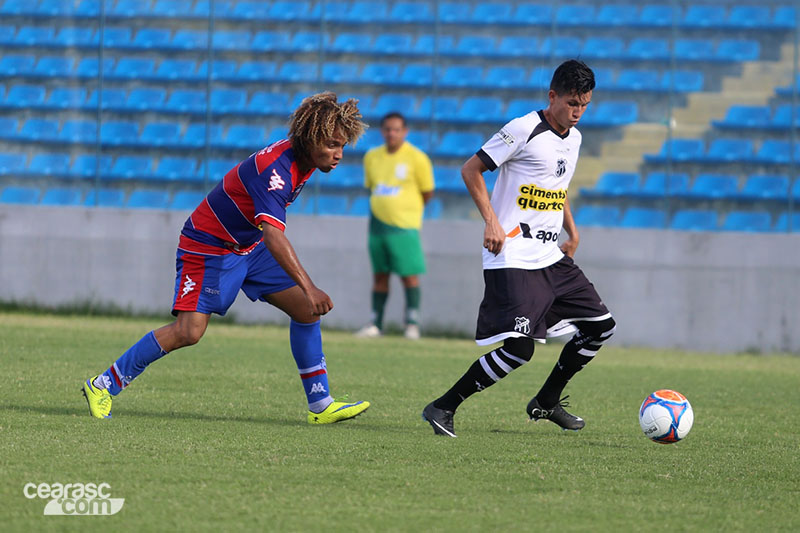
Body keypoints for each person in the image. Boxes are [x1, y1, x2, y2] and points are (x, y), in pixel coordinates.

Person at [82, 92, 371, 425]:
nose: (339, 155)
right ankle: (102, 385)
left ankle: (321, 405)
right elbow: (274, 235)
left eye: (343, 147)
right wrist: (310, 286)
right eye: (333, 145)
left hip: (249, 245)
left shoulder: (304, 161)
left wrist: (306, 293)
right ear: (311, 138)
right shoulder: (274, 170)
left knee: (305, 312)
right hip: (209, 246)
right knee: (189, 332)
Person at [422, 60, 616, 437]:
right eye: (572, 103)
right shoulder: (522, 129)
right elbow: (470, 170)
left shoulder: (574, 140)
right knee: (519, 350)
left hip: (551, 257)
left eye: (585, 105)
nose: (578, 112)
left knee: (599, 328)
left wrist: (572, 232)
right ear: (552, 96)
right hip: (512, 255)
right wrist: (491, 221)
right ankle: (442, 407)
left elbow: (556, 191)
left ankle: (546, 402)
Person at [355, 112, 435, 340]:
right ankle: (375, 323)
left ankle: (412, 324)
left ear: (405, 132)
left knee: (408, 275)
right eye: (388, 129)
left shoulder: (417, 158)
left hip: (404, 226)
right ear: (382, 131)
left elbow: (427, 192)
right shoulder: (372, 157)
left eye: (396, 129)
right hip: (377, 226)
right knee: (379, 275)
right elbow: (372, 188)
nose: (392, 133)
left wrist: (406, 210)